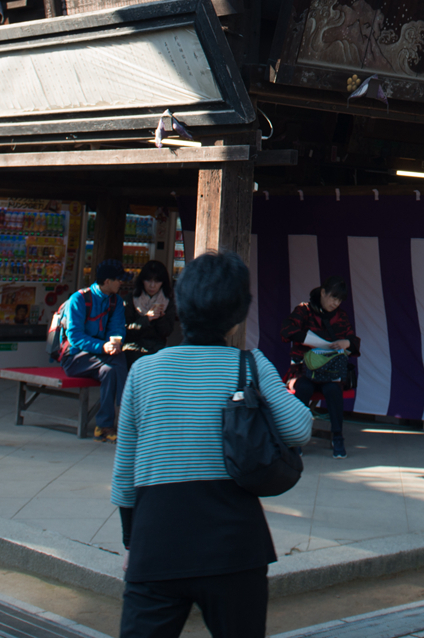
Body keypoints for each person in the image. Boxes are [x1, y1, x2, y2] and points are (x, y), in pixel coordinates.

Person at [111, 252, 313, 638]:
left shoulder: (144, 372)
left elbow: (124, 474)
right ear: (238, 314)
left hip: (156, 541)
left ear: (181, 305)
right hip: (235, 544)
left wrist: (129, 542)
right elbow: (299, 429)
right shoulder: (250, 366)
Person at [280, 276, 360, 459]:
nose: (335, 303)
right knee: (303, 389)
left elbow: (354, 342)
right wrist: (309, 340)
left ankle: (338, 437)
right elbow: (286, 331)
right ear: (323, 292)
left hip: (330, 371)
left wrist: (346, 342)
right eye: (333, 297)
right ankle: (296, 438)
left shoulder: (342, 316)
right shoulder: (304, 311)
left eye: (339, 300)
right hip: (303, 371)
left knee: (333, 390)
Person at [60, 259, 130, 439]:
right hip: (75, 358)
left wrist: (116, 343)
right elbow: (75, 337)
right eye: (118, 279)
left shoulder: (116, 301)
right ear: (107, 281)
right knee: (118, 362)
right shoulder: (79, 299)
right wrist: (103, 346)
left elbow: (117, 328)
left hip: (103, 358)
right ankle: (126, 416)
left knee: (111, 370)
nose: (121, 282)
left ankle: (104, 427)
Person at [123, 260, 177, 361]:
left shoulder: (167, 301)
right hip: (133, 349)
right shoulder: (130, 299)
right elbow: (125, 332)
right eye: (148, 280)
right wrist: (147, 319)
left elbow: (167, 332)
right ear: (142, 280)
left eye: (157, 281)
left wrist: (160, 318)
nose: (152, 286)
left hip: (158, 351)